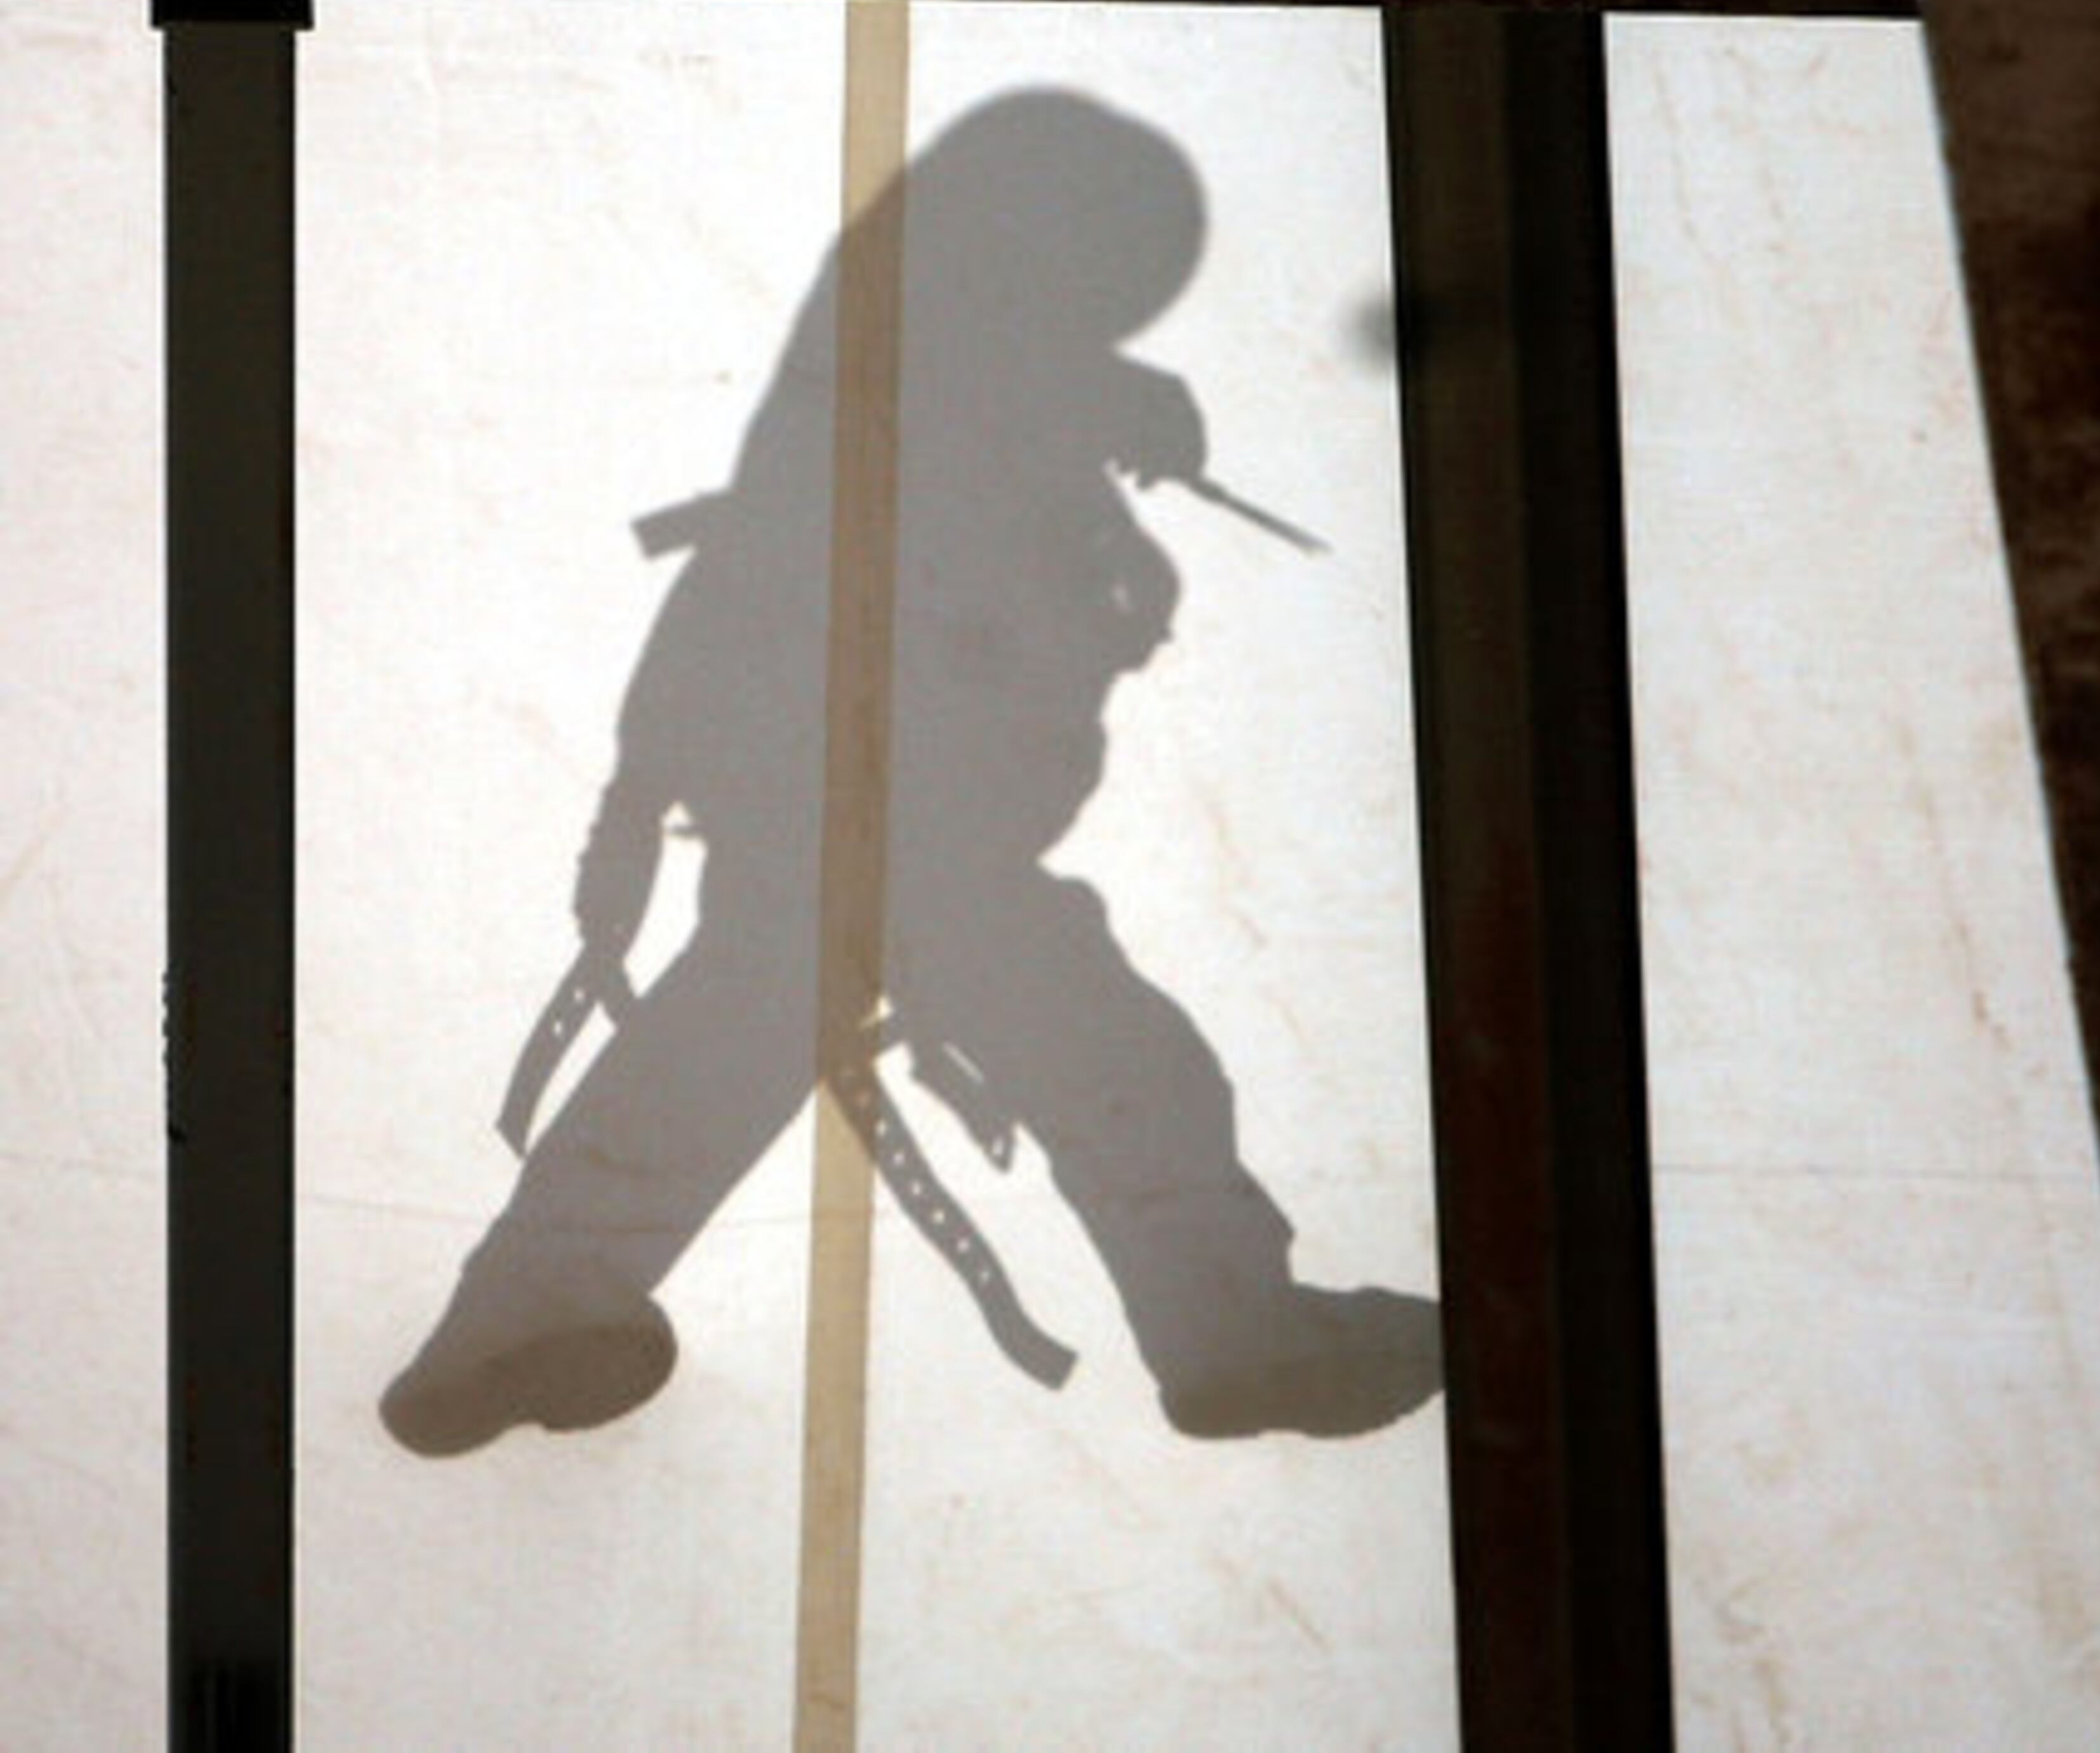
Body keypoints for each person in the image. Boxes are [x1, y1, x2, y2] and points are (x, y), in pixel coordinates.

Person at [382, 91, 1440, 1455]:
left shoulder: (925, 357)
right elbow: (933, 431)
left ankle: (509, 1325)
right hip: (883, 798)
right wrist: (1118, 420)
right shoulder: (920, 340)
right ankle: (1226, 1324)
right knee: (1094, 1040)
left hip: (831, 787)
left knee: (734, 1042)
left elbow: (930, 481)